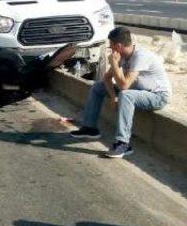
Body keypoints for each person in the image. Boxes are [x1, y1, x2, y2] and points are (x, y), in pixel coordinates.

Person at [70, 26, 171, 158]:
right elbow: (106, 78)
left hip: (157, 96)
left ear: (118, 46)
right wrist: (113, 97)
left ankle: (123, 143)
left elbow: (124, 85)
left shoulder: (140, 56)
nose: (111, 50)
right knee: (98, 87)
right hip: (136, 91)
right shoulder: (122, 56)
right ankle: (90, 128)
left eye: (111, 47)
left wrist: (115, 65)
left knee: (125, 95)